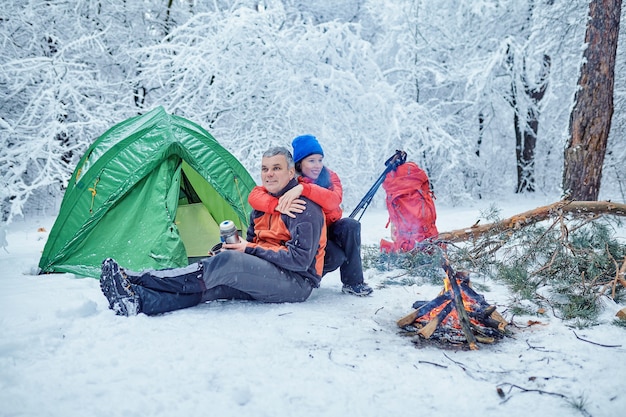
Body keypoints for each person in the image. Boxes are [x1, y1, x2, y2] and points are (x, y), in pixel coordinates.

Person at [100, 146, 327, 316]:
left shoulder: (303, 208)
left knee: (229, 264)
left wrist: (245, 251)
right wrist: (234, 248)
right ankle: (139, 301)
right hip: (271, 273)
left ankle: (137, 278)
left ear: (291, 173)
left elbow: (299, 261)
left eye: (277, 168)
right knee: (218, 284)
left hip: (297, 283)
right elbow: (252, 244)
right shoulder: (261, 207)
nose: (269, 174)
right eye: (265, 169)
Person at [247, 134, 372, 296]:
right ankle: (304, 276)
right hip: (305, 235)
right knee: (335, 256)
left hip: (328, 228)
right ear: (299, 164)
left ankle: (353, 283)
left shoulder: (329, 177)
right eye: (311, 161)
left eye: (320, 160)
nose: (317, 165)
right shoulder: (290, 179)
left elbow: (334, 200)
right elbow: (255, 195)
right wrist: (277, 205)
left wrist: (305, 189)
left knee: (350, 225)